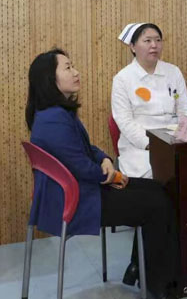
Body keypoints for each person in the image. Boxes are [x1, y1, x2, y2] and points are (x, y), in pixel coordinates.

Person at [27, 49, 177, 299]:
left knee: (158, 189)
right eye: (67, 68)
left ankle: (141, 269)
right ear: (49, 79)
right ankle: (157, 283)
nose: (76, 72)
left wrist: (105, 159)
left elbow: (86, 150)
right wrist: (113, 175)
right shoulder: (53, 119)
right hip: (79, 200)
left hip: (81, 189)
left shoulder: (56, 113)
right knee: (157, 204)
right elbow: (81, 166)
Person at [112, 22, 187, 179]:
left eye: (158, 40)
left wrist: (181, 138)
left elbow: (185, 109)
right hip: (141, 146)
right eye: (147, 41)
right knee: (155, 171)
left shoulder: (173, 72)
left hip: (175, 141)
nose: (154, 45)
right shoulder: (122, 79)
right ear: (132, 47)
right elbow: (124, 121)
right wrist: (153, 145)